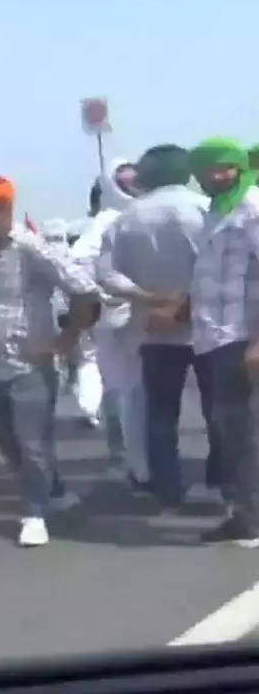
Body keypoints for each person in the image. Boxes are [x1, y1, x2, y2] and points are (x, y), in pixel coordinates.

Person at [0, 177, 99, 547]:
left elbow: (85, 291)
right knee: (7, 441)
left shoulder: (30, 249)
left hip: (29, 366)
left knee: (32, 441)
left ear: (5, 211)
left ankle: (34, 512)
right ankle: (54, 490)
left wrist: (64, 340)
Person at [97, 144, 218, 507]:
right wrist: (181, 304)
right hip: (208, 328)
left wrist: (149, 299)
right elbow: (216, 267)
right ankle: (222, 481)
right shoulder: (204, 211)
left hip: (151, 330)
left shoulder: (126, 218)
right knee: (219, 412)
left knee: (161, 414)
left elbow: (105, 274)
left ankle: (168, 490)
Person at [181, 139, 259, 545]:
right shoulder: (214, 210)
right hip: (212, 335)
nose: (216, 175)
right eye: (208, 169)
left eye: (225, 168)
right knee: (228, 429)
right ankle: (241, 511)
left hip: (240, 335)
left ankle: (250, 520)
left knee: (240, 431)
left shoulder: (252, 206)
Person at [74, 159, 147, 485]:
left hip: (143, 314)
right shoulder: (107, 221)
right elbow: (80, 264)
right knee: (122, 390)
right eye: (125, 179)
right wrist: (108, 295)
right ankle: (127, 460)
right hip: (121, 316)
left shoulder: (138, 213)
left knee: (135, 390)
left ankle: (136, 460)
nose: (131, 184)